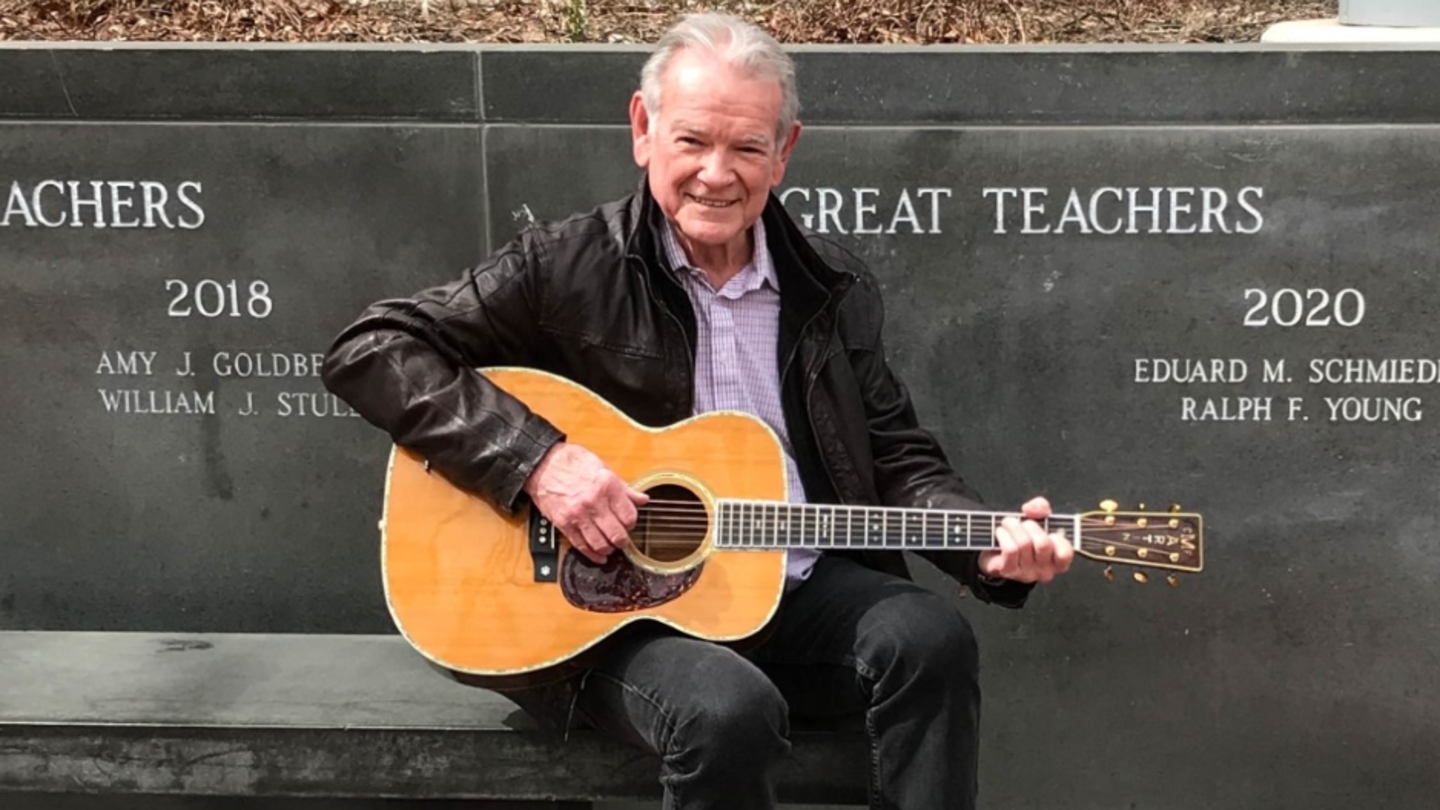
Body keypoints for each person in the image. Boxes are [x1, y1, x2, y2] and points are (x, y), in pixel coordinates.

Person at [323, 12, 1073, 809]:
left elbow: (894, 454)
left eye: (747, 147)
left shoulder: (830, 287)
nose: (718, 173)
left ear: (783, 153)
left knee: (930, 639)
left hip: (785, 588)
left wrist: (985, 548)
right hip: (606, 613)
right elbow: (369, 348)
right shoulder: (567, 266)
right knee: (726, 710)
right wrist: (537, 461)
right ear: (643, 130)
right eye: (692, 141)